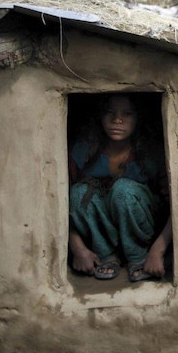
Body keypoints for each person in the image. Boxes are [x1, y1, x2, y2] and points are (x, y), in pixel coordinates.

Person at [67, 94, 172, 282]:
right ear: (99, 116)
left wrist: (158, 251)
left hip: (144, 231)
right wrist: (78, 249)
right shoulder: (83, 151)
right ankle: (105, 255)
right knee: (78, 193)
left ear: (139, 118)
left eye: (127, 113)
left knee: (123, 190)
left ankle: (138, 256)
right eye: (110, 112)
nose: (117, 119)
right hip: (98, 235)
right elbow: (56, 204)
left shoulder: (151, 154)